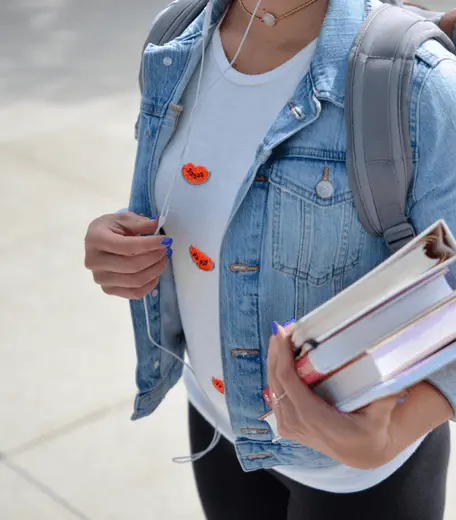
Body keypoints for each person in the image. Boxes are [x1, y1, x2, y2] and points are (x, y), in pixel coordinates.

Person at [84, 0, 456, 518]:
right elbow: (205, 205)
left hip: (359, 476)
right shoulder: (173, 41)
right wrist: (119, 245)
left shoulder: (418, 84)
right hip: (218, 425)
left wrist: (390, 435)